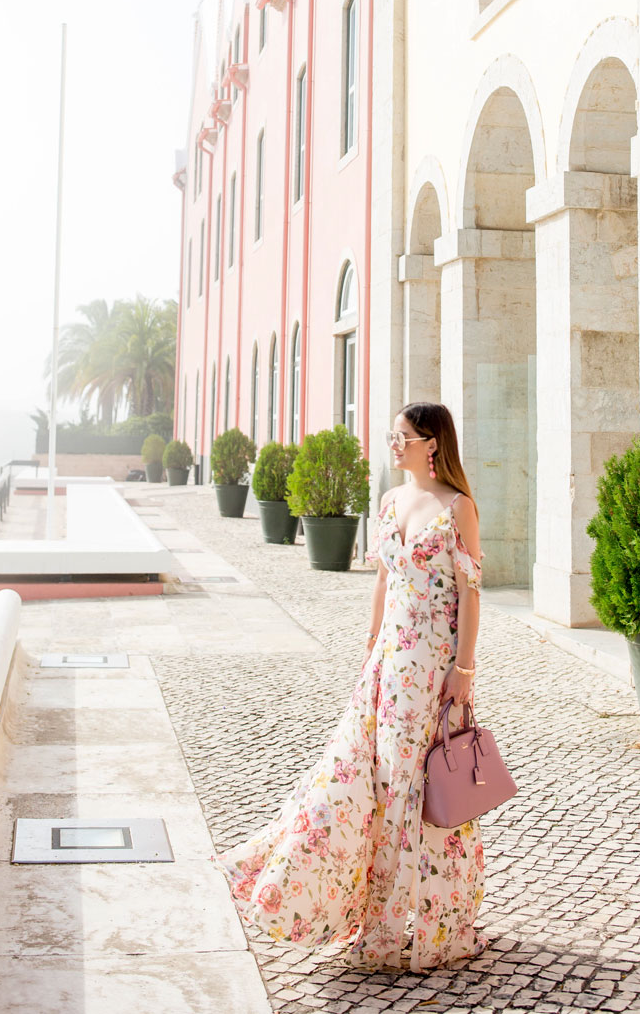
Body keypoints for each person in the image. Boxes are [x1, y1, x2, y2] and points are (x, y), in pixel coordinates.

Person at [215, 401, 486, 971]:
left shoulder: (458, 508)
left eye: (403, 436)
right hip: (387, 669)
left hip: (434, 669)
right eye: (393, 435)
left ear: (432, 444)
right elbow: (384, 581)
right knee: (377, 786)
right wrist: (370, 648)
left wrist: (462, 673)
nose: (393, 444)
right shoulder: (389, 502)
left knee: (427, 792)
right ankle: (373, 920)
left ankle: (437, 923)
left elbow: (470, 595)